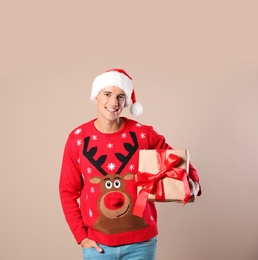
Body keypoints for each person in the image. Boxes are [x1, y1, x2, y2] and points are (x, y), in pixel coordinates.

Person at [59, 68, 201, 259]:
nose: (113, 102)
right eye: (107, 94)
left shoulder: (143, 134)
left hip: (141, 244)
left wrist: (193, 181)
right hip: (97, 246)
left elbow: (177, 160)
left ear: (126, 101)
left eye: (120, 96)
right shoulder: (77, 139)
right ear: (96, 96)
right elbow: (67, 191)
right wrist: (80, 236)